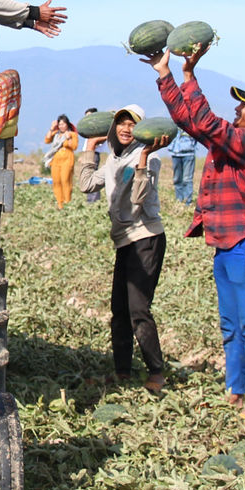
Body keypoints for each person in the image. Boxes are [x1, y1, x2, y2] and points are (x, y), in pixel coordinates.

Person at [150, 43, 245, 418]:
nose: (237, 108)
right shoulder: (232, 141)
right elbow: (190, 121)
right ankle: (235, 391)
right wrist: (167, 75)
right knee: (230, 325)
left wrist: (188, 76)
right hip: (225, 245)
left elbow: (207, 123)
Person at [77, 106, 171, 394]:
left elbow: (140, 199)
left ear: (141, 130)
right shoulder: (115, 160)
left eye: (132, 124)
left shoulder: (149, 158)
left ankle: (157, 372)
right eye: (121, 123)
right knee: (119, 309)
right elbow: (86, 184)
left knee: (138, 309)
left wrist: (142, 160)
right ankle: (122, 372)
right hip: (124, 241)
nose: (125, 129)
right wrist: (90, 148)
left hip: (146, 238)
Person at [43, 115, 78, 208]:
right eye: (60, 124)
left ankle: (67, 201)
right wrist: (51, 128)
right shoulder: (56, 134)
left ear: (67, 124)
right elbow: (47, 140)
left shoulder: (72, 134)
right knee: (56, 181)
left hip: (67, 159)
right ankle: (59, 203)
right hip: (56, 160)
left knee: (65, 180)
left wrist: (69, 138)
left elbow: (74, 146)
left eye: (63, 124)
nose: (61, 126)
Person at [76, 107, 104, 204]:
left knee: (93, 177)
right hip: (88, 154)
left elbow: (98, 143)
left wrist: (94, 142)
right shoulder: (90, 130)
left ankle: (94, 201)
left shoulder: (100, 129)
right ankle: (90, 200)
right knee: (86, 176)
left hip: (94, 154)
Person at [167, 125, 200, 205]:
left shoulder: (190, 122)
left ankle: (188, 202)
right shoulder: (173, 123)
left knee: (187, 179)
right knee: (177, 179)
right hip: (175, 152)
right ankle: (179, 200)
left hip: (188, 153)